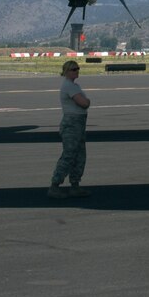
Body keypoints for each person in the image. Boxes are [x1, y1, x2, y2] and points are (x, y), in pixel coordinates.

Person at [49, 60, 90, 199]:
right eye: (73, 69)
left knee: (79, 155)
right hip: (72, 124)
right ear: (66, 71)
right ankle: (55, 186)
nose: (76, 71)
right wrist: (87, 101)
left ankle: (75, 185)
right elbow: (84, 103)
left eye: (77, 69)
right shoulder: (69, 87)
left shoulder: (74, 85)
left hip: (78, 123)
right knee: (69, 155)